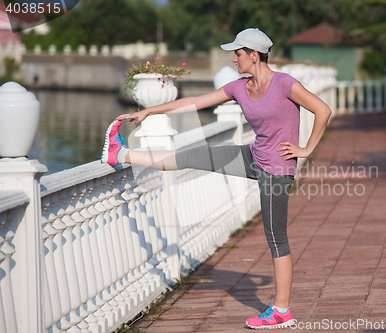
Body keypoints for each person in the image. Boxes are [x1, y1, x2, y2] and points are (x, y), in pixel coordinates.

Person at [101, 28, 332, 330]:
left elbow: (322, 109)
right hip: (253, 155)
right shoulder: (240, 87)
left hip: (277, 169)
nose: (234, 59)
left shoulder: (285, 84)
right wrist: (150, 111)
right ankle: (122, 154)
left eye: (237, 53)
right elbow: (197, 102)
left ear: (254, 54)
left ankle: (282, 310)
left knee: (276, 238)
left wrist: (306, 149)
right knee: (191, 157)